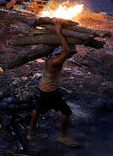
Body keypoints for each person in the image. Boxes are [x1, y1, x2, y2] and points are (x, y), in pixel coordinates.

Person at [27, 19, 78, 147]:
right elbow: (66, 51)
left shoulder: (51, 58)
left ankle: (31, 133)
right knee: (67, 112)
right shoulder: (55, 61)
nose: (68, 56)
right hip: (50, 91)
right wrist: (58, 32)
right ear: (58, 53)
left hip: (43, 87)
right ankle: (63, 136)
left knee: (37, 110)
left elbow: (65, 52)